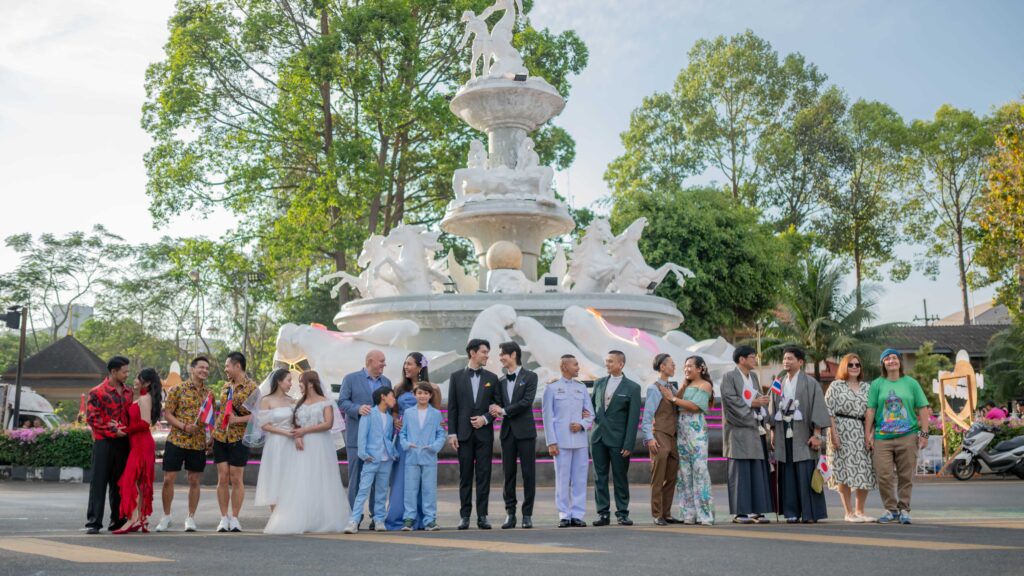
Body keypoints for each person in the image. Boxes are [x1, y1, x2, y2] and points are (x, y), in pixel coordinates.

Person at [264, 370, 350, 534]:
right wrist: (297, 436)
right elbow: (294, 422)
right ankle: (304, 517)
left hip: (321, 444)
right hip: (302, 445)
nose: (298, 385)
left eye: (301, 382)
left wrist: (305, 431)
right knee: (302, 479)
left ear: (311, 383)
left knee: (321, 478)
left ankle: (323, 518)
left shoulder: (325, 402)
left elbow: (328, 424)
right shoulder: (299, 403)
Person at [866, 349, 930, 525]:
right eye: (887, 358)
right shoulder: (877, 384)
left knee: (905, 476)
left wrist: (924, 434)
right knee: (884, 475)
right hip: (882, 438)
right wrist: (867, 434)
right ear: (883, 364)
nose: (891, 361)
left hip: (908, 437)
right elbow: (871, 410)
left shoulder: (911, 383)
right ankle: (890, 509)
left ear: (900, 362)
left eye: (894, 358)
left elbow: (923, 408)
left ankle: (904, 509)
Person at [769, 347, 831, 523]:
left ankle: (810, 513)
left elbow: (818, 407)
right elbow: (773, 408)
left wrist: (817, 434)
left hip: (804, 433)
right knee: (787, 474)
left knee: (806, 472)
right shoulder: (779, 382)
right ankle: (791, 512)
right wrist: (773, 431)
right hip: (783, 432)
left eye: (790, 359)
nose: (786, 362)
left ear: (800, 362)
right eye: (784, 359)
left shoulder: (810, 383)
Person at [155, 356, 212, 533]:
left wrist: (210, 436)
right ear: (192, 369)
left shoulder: (209, 393)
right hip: (177, 440)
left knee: (194, 480)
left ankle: (190, 517)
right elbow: (168, 414)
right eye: (201, 367)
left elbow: (210, 417)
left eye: (207, 368)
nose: (204, 370)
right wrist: (184, 426)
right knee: (168, 479)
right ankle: (166, 516)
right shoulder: (177, 389)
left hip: (197, 442)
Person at [447, 338, 499, 530]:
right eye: (484, 352)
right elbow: (452, 408)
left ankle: (483, 516)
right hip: (464, 435)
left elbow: (496, 407)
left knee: (484, 476)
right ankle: (465, 516)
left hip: (484, 435)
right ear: (472, 353)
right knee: (465, 476)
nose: (487, 355)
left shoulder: (492, 379)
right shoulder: (456, 377)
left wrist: (485, 418)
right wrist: (452, 433)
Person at [386, 352, 439, 530]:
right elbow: (393, 411)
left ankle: (426, 517)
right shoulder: (399, 388)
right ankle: (402, 517)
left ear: (420, 367)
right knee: (402, 479)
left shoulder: (433, 389)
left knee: (425, 481)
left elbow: (436, 415)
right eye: (405, 364)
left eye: (409, 364)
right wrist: (395, 420)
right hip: (405, 442)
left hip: (425, 442)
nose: (406, 367)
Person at [488, 341, 539, 530]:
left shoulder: (531, 376)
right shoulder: (500, 381)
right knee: (508, 475)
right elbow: (497, 403)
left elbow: (527, 402)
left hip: (525, 432)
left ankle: (527, 515)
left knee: (528, 474)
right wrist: (494, 408)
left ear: (514, 355)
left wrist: (503, 411)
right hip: (507, 433)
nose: (500, 358)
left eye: (503, 354)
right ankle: (510, 513)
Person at [720, 345, 773, 524]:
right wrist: (753, 403)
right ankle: (740, 512)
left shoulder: (754, 377)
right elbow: (730, 400)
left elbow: (756, 398)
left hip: (754, 429)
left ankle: (757, 511)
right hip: (738, 431)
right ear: (741, 359)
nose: (755, 360)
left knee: (757, 469)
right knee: (740, 471)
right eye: (752, 357)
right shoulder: (729, 377)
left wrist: (762, 402)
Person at [338, 349, 392, 523]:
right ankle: (355, 517)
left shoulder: (387, 381)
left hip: (379, 442)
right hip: (356, 439)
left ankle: (377, 516)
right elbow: (343, 402)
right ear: (370, 361)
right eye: (381, 361)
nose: (384, 364)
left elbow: (389, 407)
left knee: (379, 480)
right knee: (356, 478)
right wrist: (358, 409)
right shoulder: (350, 379)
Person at [589, 350, 641, 527]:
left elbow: (633, 420)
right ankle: (603, 513)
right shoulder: (599, 383)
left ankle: (622, 513)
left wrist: (629, 444)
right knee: (599, 477)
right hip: (597, 438)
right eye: (606, 361)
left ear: (621, 364)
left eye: (611, 361)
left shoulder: (633, 388)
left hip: (619, 441)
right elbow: (590, 407)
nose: (607, 364)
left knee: (620, 477)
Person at [543, 355, 595, 527]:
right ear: (564, 366)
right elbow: (547, 417)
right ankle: (564, 514)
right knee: (563, 479)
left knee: (580, 479)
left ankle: (578, 514)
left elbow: (591, 414)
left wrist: (581, 424)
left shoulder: (581, 388)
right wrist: (551, 442)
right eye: (575, 364)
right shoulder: (551, 388)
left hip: (580, 441)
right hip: (561, 442)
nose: (578, 367)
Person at [85, 356, 133, 534]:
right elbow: (92, 418)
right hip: (103, 441)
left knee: (119, 483)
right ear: (113, 372)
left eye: (128, 371)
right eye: (124, 371)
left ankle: (118, 520)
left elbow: (130, 416)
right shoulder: (96, 392)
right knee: (99, 482)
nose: (127, 374)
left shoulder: (129, 392)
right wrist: (113, 431)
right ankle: (94, 522)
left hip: (123, 442)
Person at [663, 356, 714, 525]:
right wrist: (683, 386)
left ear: (700, 368)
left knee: (700, 471)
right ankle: (688, 514)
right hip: (682, 431)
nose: (686, 369)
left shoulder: (705, 385)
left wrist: (673, 398)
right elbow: (674, 404)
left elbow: (695, 406)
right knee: (684, 473)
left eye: (690, 366)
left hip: (697, 431)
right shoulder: (686, 385)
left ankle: (705, 515)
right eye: (685, 366)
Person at [825, 353, 876, 523]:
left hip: (861, 430)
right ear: (844, 367)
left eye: (857, 365)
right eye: (851, 365)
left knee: (864, 470)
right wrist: (834, 435)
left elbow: (872, 412)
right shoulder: (835, 386)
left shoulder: (867, 388)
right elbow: (829, 412)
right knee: (843, 471)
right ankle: (848, 512)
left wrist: (870, 434)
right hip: (841, 429)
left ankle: (860, 511)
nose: (854, 367)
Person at [213, 351, 259, 533]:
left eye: (227, 366)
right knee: (222, 476)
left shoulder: (253, 388)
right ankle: (223, 517)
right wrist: (214, 433)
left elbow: (258, 416)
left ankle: (235, 517)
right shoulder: (225, 387)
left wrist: (237, 421)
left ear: (237, 366)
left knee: (236, 477)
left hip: (240, 438)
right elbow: (223, 411)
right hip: (221, 436)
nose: (225, 369)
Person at [113, 368, 161, 534]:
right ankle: (140, 519)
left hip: (142, 444)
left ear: (146, 383)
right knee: (139, 484)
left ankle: (133, 519)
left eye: (138, 378)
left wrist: (124, 431)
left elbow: (144, 423)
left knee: (130, 481)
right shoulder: (141, 398)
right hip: (137, 444)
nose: (134, 380)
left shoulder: (145, 398)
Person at [345, 387, 398, 534]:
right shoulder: (369, 414)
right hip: (371, 458)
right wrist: (363, 454)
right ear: (383, 397)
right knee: (363, 490)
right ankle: (354, 520)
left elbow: (387, 438)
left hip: (386, 459)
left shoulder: (388, 418)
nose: (394, 399)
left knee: (381, 491)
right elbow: (362, 435)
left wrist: (393, 453)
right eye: (392, 396)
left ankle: (379, 519)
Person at [399, 382, 446, 532]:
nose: (422, 396)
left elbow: (441, 433)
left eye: (426, 393)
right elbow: (402, 433)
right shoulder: (408, 413)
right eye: (419, 393)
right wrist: (406, 444)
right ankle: (409, 520)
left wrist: (434, 447)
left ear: (430, 395)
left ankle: (430, 520)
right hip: (412, 456)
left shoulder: (436, 414)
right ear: (414, 395)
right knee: (410, 489)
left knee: (429, 489)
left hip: (429, 456)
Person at [640, 353, 681, 526]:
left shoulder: (673, 389)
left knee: (671, 477)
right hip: (659, 436)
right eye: (671, 364)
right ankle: (657, 514)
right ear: (662, 367)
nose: (674, 367)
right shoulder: (653, 388)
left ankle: (667, 512)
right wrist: (649, 438)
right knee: (658, 478)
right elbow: (647, 416)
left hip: (673, 437)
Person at [254, 369, 297, 519]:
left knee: (289, 477)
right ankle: (276, 516)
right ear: (279, 381)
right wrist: (285, 432)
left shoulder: (292, 401)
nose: (291, 384)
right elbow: (264, 425)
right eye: (289, 380)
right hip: (276, 442)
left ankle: (289, 513)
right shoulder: (266, 400)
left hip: (291, 444)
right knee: (274, 476)